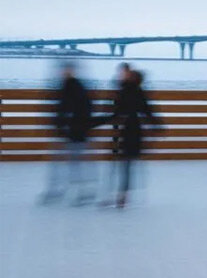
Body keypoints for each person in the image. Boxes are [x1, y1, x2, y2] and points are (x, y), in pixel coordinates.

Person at [41, 63, 95, 205]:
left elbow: (79, 109)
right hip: (68, 131)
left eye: (67, 70)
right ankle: (61, 191)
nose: (64, 72)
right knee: (65, 162)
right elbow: (62, 109)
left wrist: (70, 124)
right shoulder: (66, 86)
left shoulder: (75, 87)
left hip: (75, 132)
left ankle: (83, 192)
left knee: (74, 163)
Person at [107, 69, 159, 208]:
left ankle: (121, 195)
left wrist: (156, 126)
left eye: (128, 76)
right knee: (125, 164)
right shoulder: (126, 90)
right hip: (126, 131)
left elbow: (146, 111)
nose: (124, 76)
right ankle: (121, 195)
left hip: (132, 132)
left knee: (126, 163)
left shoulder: (133, 92)